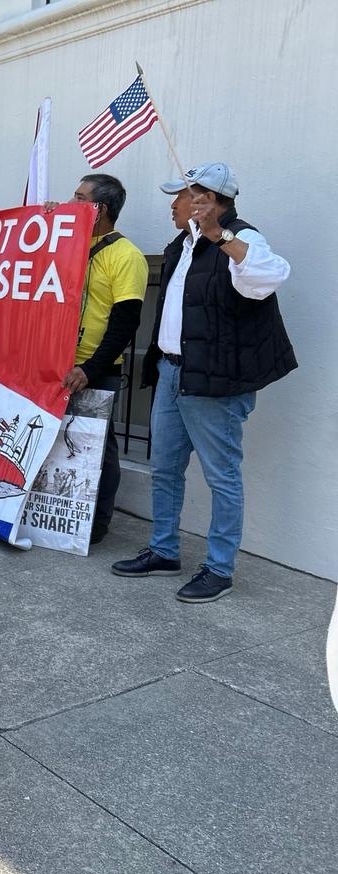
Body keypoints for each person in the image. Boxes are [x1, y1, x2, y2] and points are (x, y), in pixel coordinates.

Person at [112, 163, 295, 602]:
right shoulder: (181, 244)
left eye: (181, 196)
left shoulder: (242, 238)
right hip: (174, 373)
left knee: (221, 476)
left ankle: (219, 568)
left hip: (215, 381)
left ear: (206, 202)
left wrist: (220, 235)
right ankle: (163, 550)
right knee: (166, 469)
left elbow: (266, 279)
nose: (173, 205)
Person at [49, 174, 148, 545]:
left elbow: (126, 323)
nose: (69, 202)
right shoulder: (69, 243)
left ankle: (96, 525)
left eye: (77, 198)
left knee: (95, 449)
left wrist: (91, 368)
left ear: (100, 208)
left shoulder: (127, 257)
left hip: (94, 371)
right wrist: (45, 222)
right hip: (55, 365)